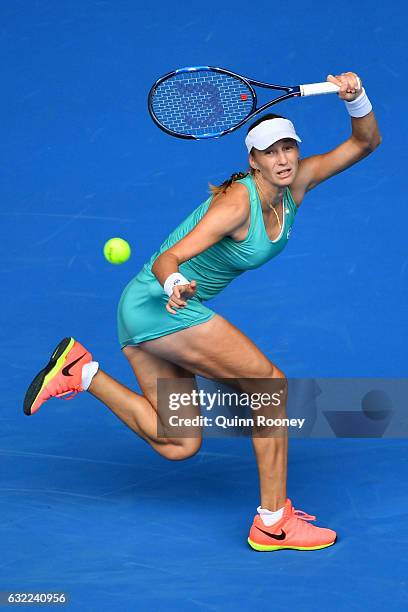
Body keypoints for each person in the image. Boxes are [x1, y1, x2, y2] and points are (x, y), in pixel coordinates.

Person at [24, 71, 381, 551]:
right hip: (158, 305)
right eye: (270, 152)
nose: (282, 159)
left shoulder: (299, 184)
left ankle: (81, 371)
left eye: (288, 148)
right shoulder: (238, 203)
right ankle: (273, 521)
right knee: (268, 386)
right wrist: (174, 283)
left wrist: (356, 98)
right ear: (252, 160)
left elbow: (365, 142)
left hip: (144, 311)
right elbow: (165, 261)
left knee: (179, 443)